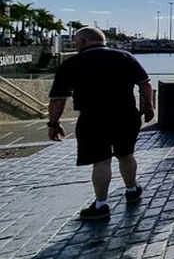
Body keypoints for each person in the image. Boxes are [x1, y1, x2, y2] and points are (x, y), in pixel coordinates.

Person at [47, 27, 155, 220]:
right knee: (126, 154)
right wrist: (149, 107)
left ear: (82, 42)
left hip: (93, 118)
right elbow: (145, 84)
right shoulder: (125, 57)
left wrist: (53, 124)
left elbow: (58, 99)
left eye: (75, 41)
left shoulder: (72, 64)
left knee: (101, 161)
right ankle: (131, 189)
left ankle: (101, 205)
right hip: (126, 115)